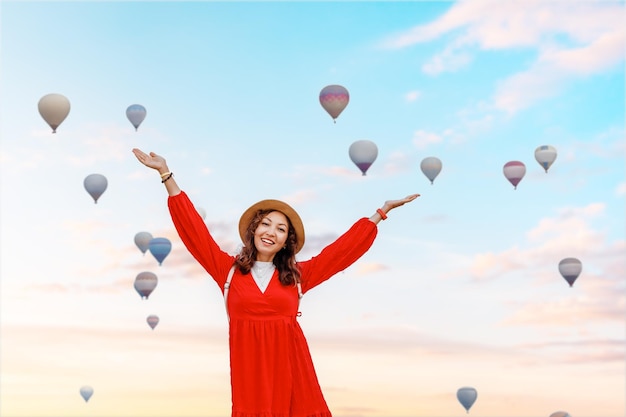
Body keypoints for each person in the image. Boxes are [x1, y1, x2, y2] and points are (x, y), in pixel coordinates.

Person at [132, 148, 420, 417]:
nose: (271, 232)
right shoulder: (228, 271)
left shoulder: (297, 276)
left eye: (281, 229)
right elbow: (194, 230)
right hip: (249, 375)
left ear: (287, 241)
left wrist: (380, 213)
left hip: (292, 371)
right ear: (254, 229)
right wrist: (166, 175)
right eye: (266, 224)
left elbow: (340, 253)